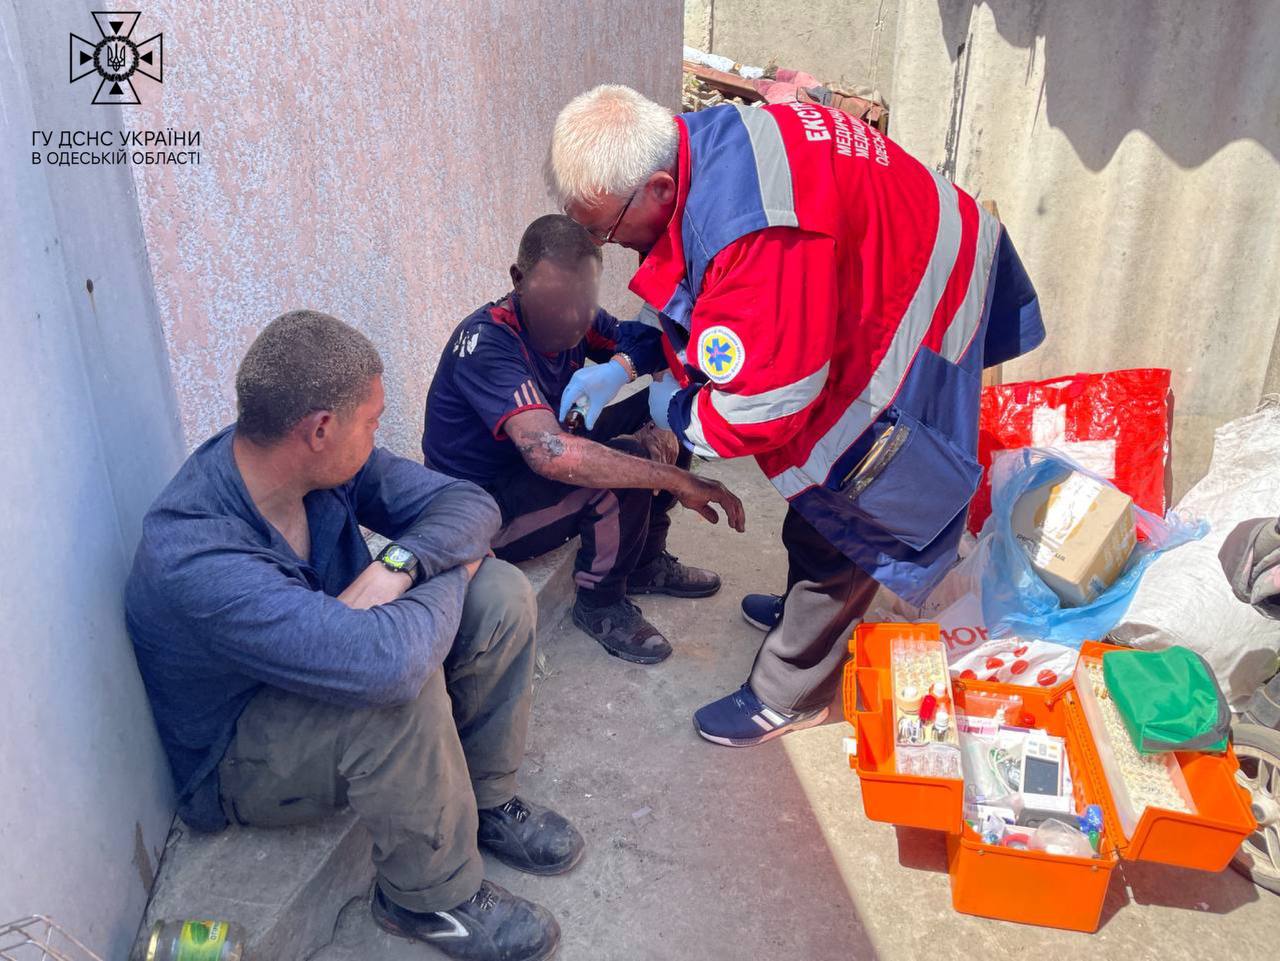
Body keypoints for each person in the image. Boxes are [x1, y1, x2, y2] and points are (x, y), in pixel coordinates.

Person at [547, 85, 1044, 747]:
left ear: (659, 188)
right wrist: (630, 361)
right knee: (820, 485)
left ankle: (792, 689)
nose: (601, 241)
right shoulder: (705, 143)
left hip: (922, 302)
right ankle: (797, 616)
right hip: (904, 253)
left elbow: (768, 405)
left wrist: (682, 412)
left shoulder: (757, 237)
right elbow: (693, 286)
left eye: (602, 229)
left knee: (854, 486)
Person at [126, 311, 574, 961]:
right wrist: (455, 563)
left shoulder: (312, 462)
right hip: (241, 751)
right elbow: (387, 664)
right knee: (398, 691)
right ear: (320, 429)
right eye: (371, 421)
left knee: (499, 594)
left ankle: (484, 801)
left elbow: (472, 506)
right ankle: (427, 898)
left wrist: (405, 564)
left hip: (331, 657)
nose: (377, 434)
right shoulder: (195, 555)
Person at [422, 214, 745, 665]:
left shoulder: (575, 314)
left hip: (529, 472)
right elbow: (550, 455)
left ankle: (645, 563)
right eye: (558, 304)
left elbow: (653, 344)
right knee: (622, 464)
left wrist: (621, 370)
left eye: (583, 304)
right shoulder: (488, 344)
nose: (573, 323)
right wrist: (674, 479)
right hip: (484, 511)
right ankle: (601, 603)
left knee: (672, 410)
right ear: (518, 279)